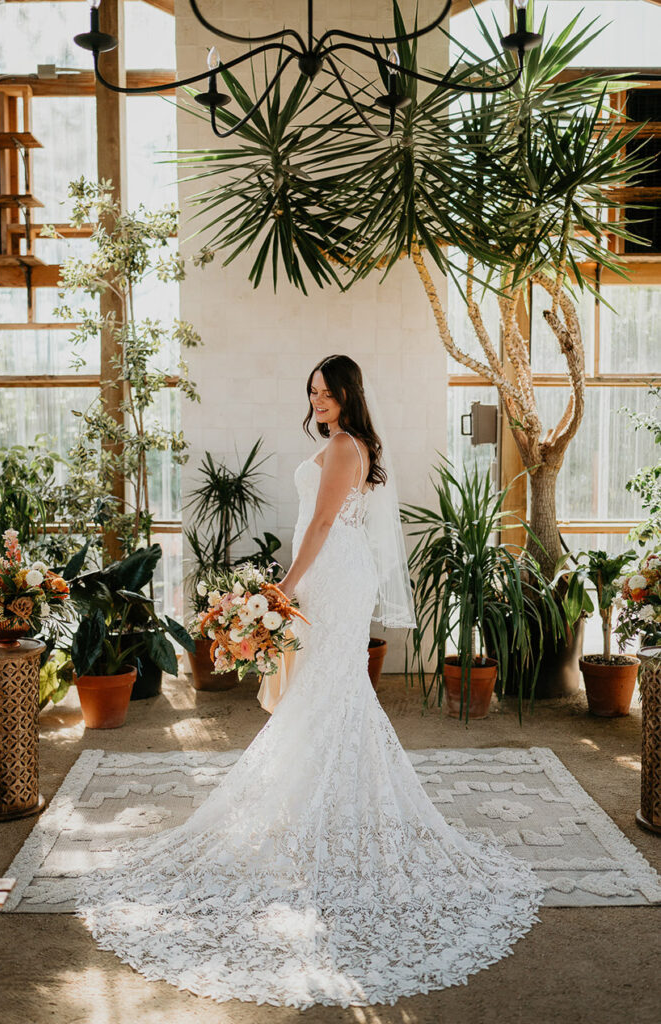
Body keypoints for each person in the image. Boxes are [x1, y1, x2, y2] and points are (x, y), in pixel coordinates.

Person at [75, 354, 542, 1009]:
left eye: (326, 392)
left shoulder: (347, 446)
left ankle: (328, 808)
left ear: (348, 395)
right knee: (324, 695)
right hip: (328, 573)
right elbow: (319, 523)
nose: (317, 400)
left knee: (332, 694)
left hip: (329, 578)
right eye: (313, 392)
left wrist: (282, 589)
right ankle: (323, 805)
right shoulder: (343, 444)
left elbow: (323, 523)